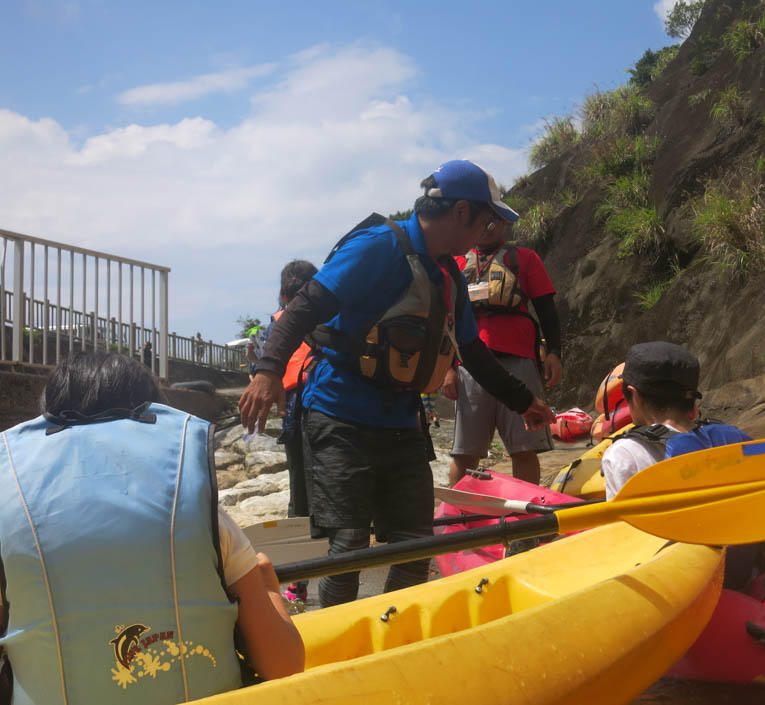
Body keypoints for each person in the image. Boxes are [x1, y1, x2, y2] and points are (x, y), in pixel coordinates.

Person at [238, 159, 555, 608]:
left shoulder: (448, 274)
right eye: (485, 219)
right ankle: (337, 646)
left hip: (403, 422)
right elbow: (304, 307)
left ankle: (389, 632)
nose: (486, 230)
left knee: (414, 544)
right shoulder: (378, 245)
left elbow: (473, 352)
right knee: (347, 547)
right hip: (339, 415)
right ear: (461, 211)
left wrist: (525, 401)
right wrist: (269, 371)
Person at [0, 352, 303, 705]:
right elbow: (286, 666)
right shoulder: (201, 511)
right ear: (153, 414)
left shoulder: (11, 511)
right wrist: (266, 589)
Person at [601, 341, 765, 588]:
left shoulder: (621, 455)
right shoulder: (727, 438)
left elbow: (621, 540)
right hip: (740, 570)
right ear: (692, 403)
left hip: (677, 582)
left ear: (634, 395)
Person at [443, 213, 563, 486]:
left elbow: (547, 310)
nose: (486, 227)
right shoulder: (457, 262)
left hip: (519, 362)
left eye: (492, 221)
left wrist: (554, 352)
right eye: (482, 220)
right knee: (465, 452)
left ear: (505, 223)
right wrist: (448, 369)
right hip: (469, 368)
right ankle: (461, 517)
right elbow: (445, 320)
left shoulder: (525, 259)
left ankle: (528, 519)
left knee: (523, 448)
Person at [270, 260, 320, 603]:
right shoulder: (331, 313)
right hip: (313, 408)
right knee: (308, 498)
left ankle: (297, 585)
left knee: (300, 499)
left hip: (303, 410)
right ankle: (300, 583)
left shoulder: (279, 323)